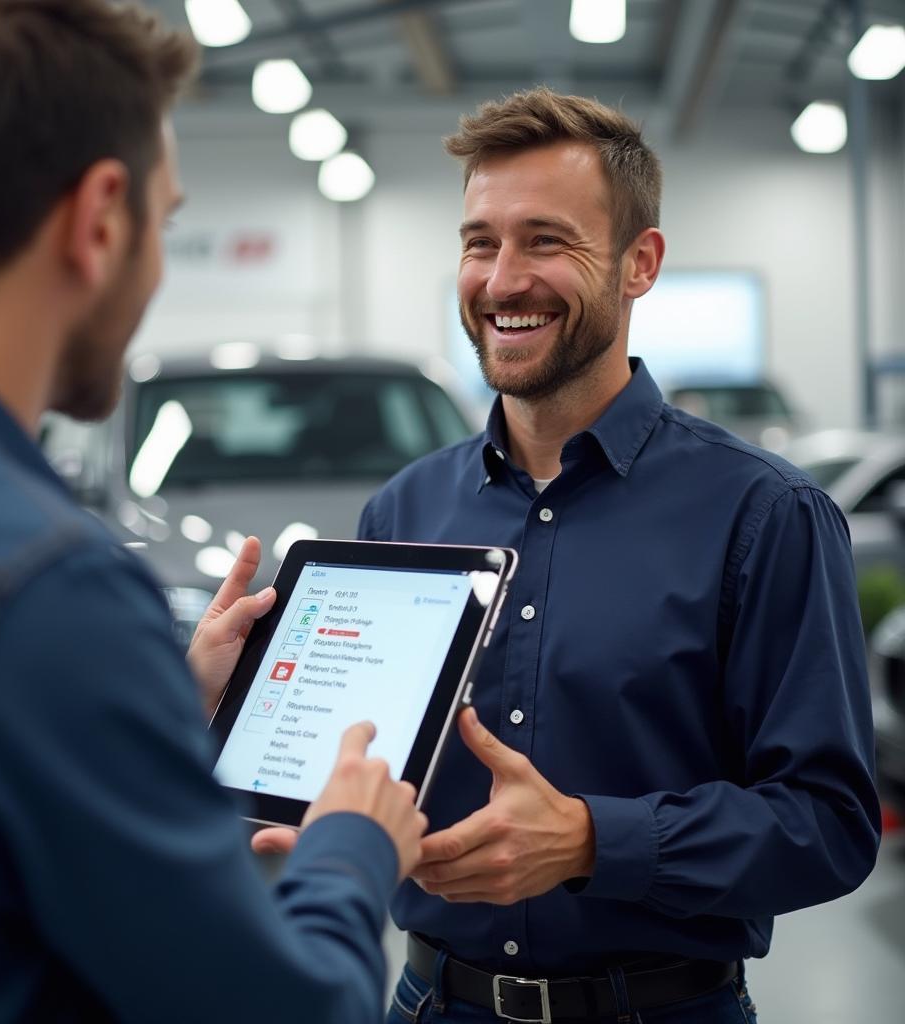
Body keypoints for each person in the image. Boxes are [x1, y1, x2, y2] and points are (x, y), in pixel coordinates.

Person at [258, 89, 883, 1022]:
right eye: (480, 242)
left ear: (640, 263)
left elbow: (829, 825)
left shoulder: (763, 515)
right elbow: (347, 761)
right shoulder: (405, 508)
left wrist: (595, 840)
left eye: (545, 241)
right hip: (432, 1002)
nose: (504, 279)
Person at [0, 1, 426, 1021]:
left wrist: (154, 707)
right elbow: (278, 1009)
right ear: (98, 220)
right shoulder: (42, 585)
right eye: (164, 223)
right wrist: (351, 841)